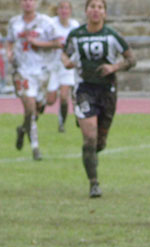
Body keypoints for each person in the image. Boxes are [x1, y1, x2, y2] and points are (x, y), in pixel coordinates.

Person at [62, 0, 135, 198]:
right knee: (90, 138)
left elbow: (131, 60)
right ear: (86, 11)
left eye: (99, 7)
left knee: (99, 143)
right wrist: (67, 62)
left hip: (107, 91)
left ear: (105, 12)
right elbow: (64, 53)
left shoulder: (112, 35)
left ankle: (91, 150)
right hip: (83, 89)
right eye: (92, 6)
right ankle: (94, 183)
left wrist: (113, 67)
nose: (95, 10)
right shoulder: (76, 35)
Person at [6, 0, 60, 161]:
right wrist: (9, 52)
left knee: (37, 110)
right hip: (22, 71)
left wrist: (38, 43)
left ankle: (23, 129)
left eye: (30, 0)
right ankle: (35, 148)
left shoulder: (46, 22)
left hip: (42, 71)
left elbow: (58, 43)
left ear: (36, 3)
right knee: (29, 108)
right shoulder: (14, 22)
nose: (27, 3)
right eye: (24, 0)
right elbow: (9, 41)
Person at [48, 0, 79, 133]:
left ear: (70, 11)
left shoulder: (74, 26)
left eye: (66, 8)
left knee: (64, 96)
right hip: (52, 65)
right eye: (61, 8)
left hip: (66, 66)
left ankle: (61, 124)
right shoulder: (50, 24)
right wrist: (54, 45)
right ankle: (41, 105)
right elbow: (44, 41)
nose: (64, 11)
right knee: (50, 100)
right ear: (57, 10)